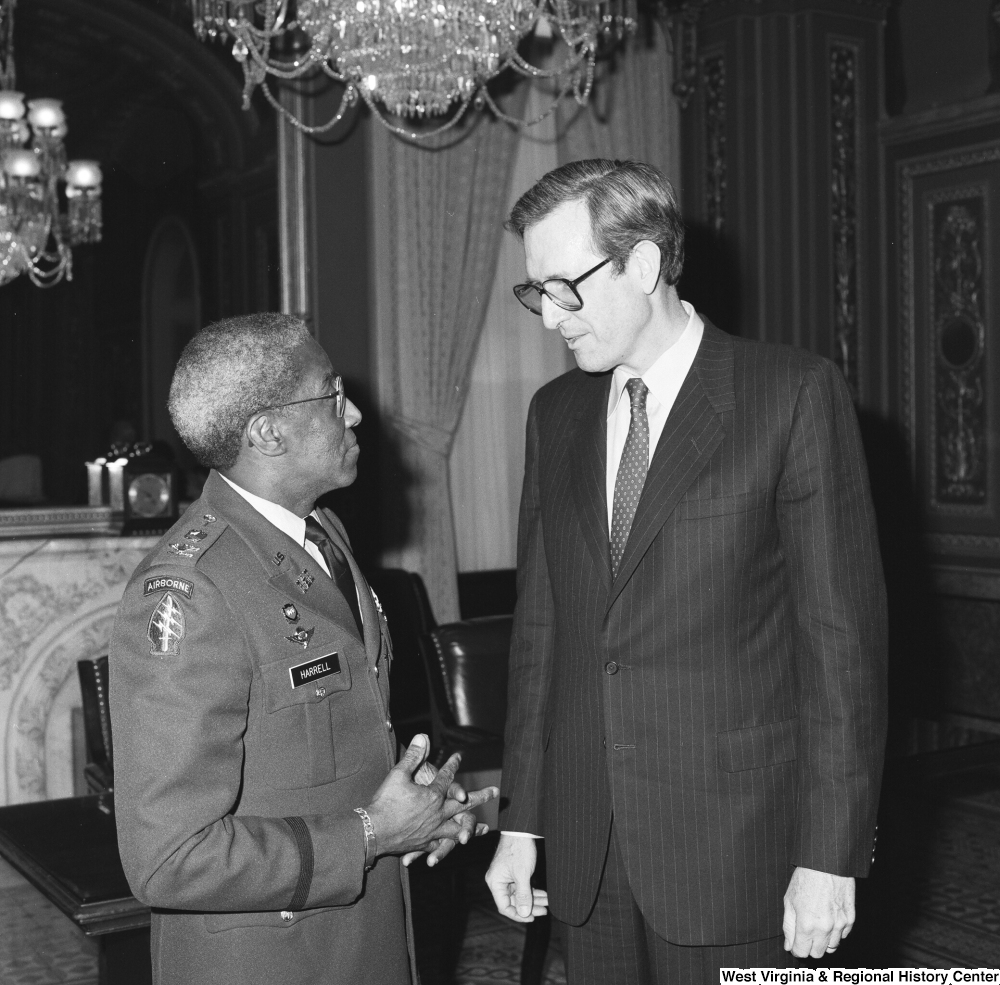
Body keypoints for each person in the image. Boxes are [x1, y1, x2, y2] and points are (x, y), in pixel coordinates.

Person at [484, 159, 888, 983]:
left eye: (566, 286)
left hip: (740, 852)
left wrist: (830, 854)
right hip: (589, 847)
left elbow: (841, 647)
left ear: (643, 263)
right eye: (535, 292)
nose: (551, 317)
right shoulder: (553, 416)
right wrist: (522, 821)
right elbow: (539, 637)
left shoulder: (790, 394)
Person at [110, 313, 496, 985]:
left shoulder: (320, 531)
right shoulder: (193, 590)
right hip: (272, 961)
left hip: (362, 938)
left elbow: (329, 750)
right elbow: (167, 857)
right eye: (332, 391)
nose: (354, 413)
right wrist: (372, 832)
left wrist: (416, 813)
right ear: (268, 430)